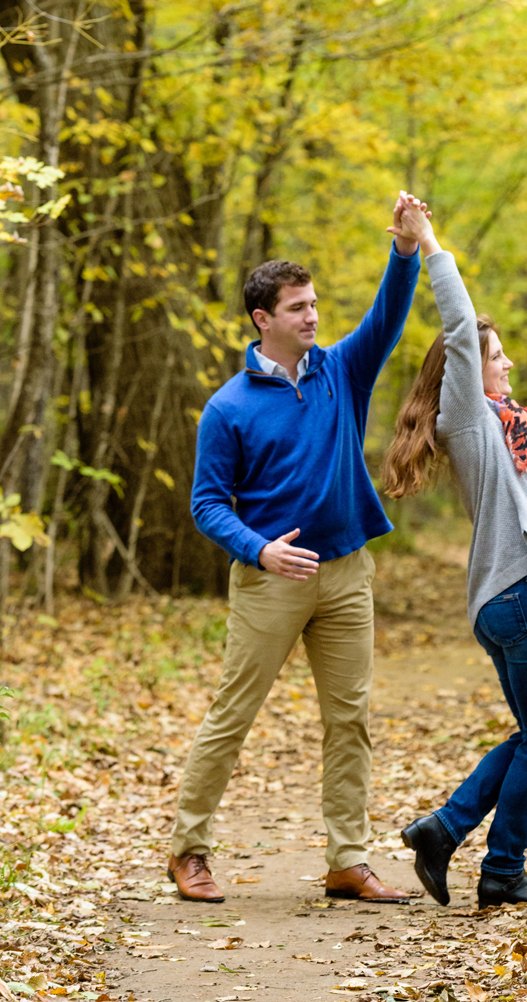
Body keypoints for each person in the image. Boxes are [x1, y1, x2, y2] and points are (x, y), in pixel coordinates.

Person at [166, 193, 426, 905]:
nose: (313, 316)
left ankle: (348, 860)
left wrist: (403, 250)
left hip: (347, 573)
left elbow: (387, 319)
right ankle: (189, 851)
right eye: (297, 308)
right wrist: (258, 551)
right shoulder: (228, 408)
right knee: (233, 715)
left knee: (351, 719)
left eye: (314, 304)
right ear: (262, 319)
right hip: (270, 583)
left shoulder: (343, 371)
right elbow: (206, 505)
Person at [380, 203, 527, 909]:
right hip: (523, 594)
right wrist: (429, 246)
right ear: (465, 371)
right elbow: (457, 323)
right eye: (496, 353)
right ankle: (500, 868)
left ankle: (445, 832)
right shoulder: (473, 422)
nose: (508, 361)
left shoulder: (518, 434)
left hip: (511, 594)